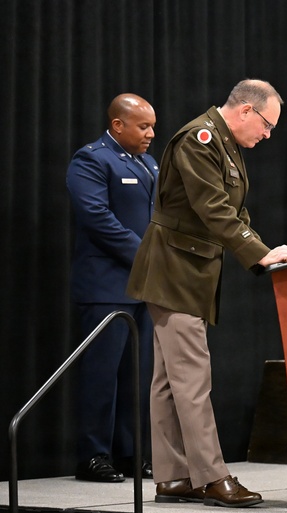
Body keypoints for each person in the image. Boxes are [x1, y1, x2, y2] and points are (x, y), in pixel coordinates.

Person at [126, 79, 287, 507]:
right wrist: (260, 254)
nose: (267, 134)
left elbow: (233, 209)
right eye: (266, 125)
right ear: (245, 110)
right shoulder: (200, 139)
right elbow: (214, 208)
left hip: (187, 270)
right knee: (192, 379)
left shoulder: (225, 143)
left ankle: (172, 477)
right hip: (174, 271)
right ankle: (213, 477)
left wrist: (266, 249)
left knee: (168, 380)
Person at [66, 94, 158, 482]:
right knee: (101, 377)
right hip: (106, 286)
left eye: (153, 126)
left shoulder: (149, 163)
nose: (151, 134)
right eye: (143, 126)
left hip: (144, 288)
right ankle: (94, 455)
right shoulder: (91, 159)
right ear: (118, 125)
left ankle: (131, 454)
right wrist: (147, 255)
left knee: (138, 377)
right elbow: (96, 217)